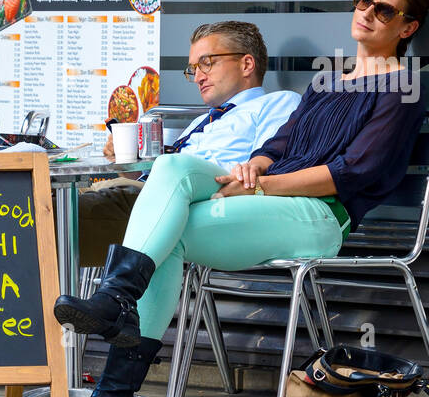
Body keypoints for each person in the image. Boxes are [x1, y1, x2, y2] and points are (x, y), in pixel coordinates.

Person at [54, 0, 429, 397]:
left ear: (407, 27)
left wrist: (265, 186)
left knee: (165, 235)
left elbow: (355, 172)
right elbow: (282, 142)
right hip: (270, 199)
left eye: (384, 10)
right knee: (173, 169)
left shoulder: (402, 88)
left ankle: (114, 389)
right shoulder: (326, 82)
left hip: (319, 217)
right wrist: (256, 164)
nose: (367, 13)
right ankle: (116, 305)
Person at [79, 21, 300, 267]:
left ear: (246, 64)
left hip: (191, 206)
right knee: (51, 200)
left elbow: (265, 165)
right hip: (146, 194)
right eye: (193, 68)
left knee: (52, 218)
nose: (198, 77)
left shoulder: (278, 103)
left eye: (207, 63)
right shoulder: (202, 120)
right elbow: (155, 173)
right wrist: (126, 160)